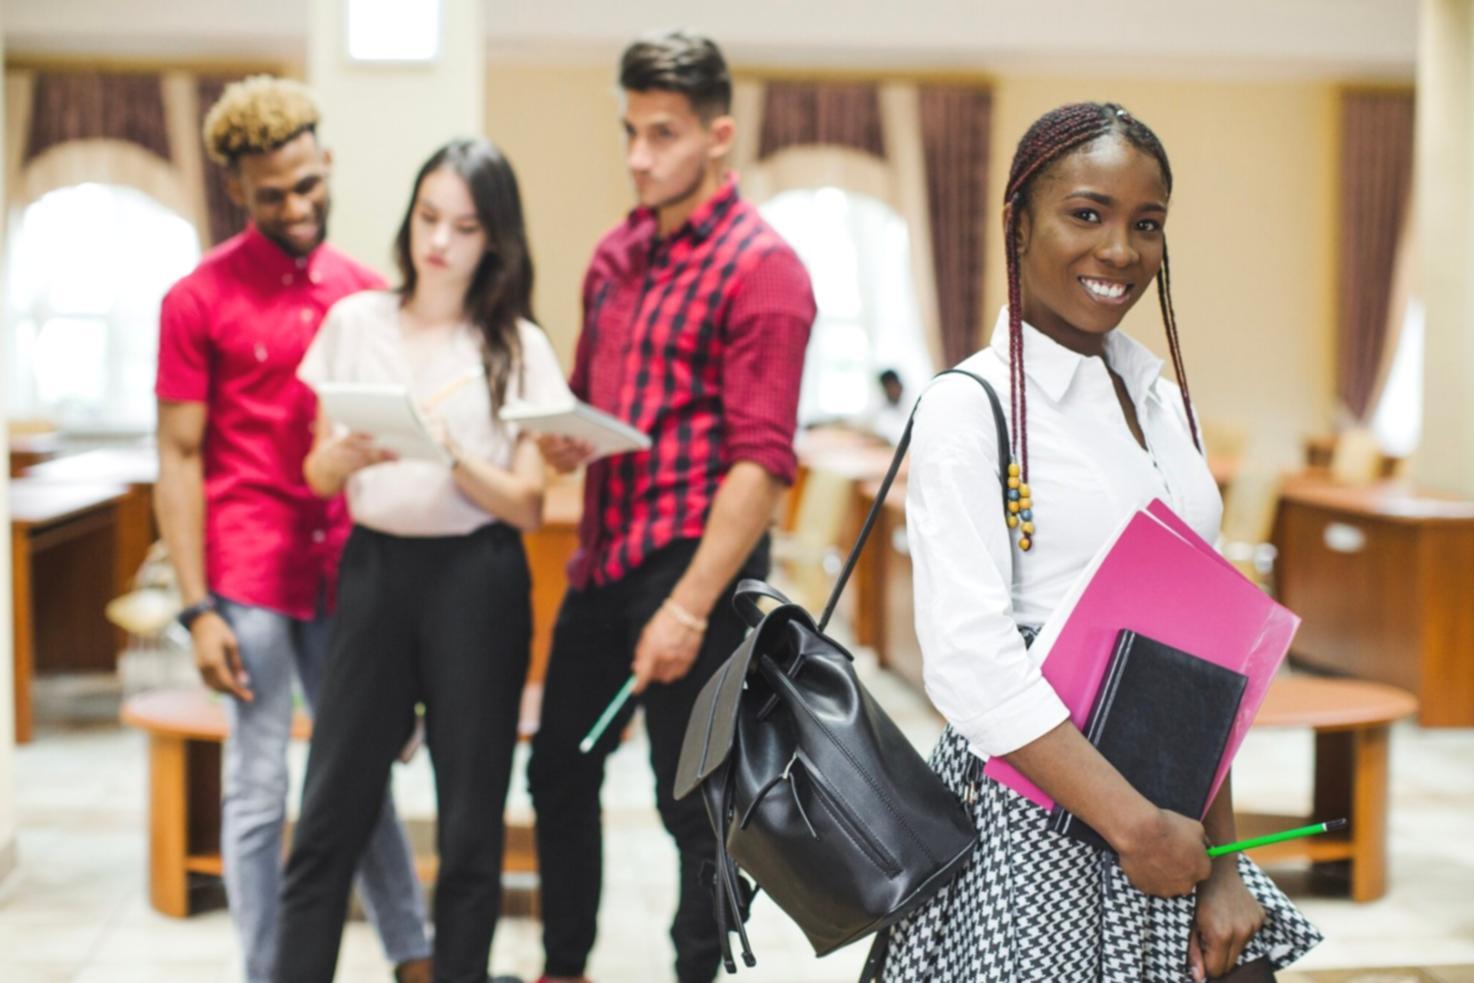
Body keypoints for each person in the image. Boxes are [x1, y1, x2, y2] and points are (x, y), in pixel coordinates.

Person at [877, 103, 1322, 982]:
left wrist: (1222, 863)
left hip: (1173, 816)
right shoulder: (969, 408)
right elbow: (970, 662)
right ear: (1017, 222)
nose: (1120, 250)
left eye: (1145, 224)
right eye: (1087, 213)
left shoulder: (1156, 399)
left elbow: (1199, 651)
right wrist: (1134, 825)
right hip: (1033, 817)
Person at [526, 31, 816, 983]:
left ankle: (700, 972)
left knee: (690, 804)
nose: (640, 155)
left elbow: (761, 467)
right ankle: (563, 966)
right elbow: (590, 395)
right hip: (603, 562)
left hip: (701, 570)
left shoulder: (764, 268)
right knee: (558, 772)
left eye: (664, 134)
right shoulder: (616, 253)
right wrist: (567, 433)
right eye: (630, 132)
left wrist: (688, 609)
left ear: (719, 136)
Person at [153, 76, 431, 983]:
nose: (297, 206)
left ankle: (414, 956)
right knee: (259, 782)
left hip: (351, 570)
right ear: (236, 188)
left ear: (327, 164)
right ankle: (270, 970)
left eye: (309, 184)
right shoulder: (195, 299)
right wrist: (197, 610)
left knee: (358, 776)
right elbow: (180, 459)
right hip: (249, 574)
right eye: (272, 194)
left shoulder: (365, 293)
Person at [272, 138, 564, 983]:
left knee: (471, 826)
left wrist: (448, 454)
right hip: (374, 575)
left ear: (493, 239)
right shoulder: (355, 321)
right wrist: (351, 457)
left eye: (464, 226)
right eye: (428, 217)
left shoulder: (516, 343)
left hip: (479, 579)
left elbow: (528, 502)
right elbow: (316, 470)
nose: (439, 241)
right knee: (328, 812)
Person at [870, 368, 908, 445]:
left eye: (891, 387)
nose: (889, 391)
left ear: (899, 385)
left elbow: (901, 436)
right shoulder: (883, 404)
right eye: (886, 389)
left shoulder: (912, 403)